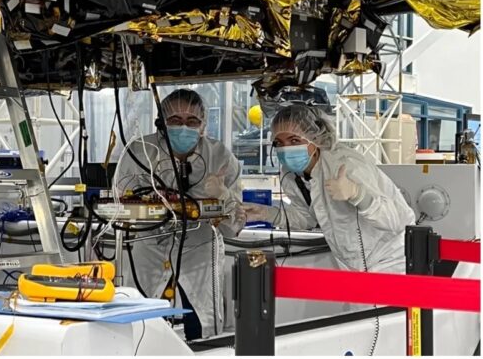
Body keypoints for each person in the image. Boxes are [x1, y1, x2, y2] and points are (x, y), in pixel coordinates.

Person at [117, 89, 246, 340]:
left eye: (192, 121)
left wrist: (221, 196)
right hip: (149, 245)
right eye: (175, 120)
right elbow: (122, 206)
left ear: (203, 125)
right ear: (161, 123)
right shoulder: (140, 152)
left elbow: (235, 222)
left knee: (202, 319)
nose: (183, 127)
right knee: (144, 316)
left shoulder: (219, 157)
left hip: (199, 249)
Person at [245, 104, 415, 273]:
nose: (286, 149)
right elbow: (307, 218)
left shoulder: (347, 166)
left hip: (390, 263)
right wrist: (267, 214)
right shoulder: (291, 175)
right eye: (279, 143)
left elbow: (396, 221)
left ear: (315, 138)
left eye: (294, 140)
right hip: (352, 266)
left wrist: (358, 195)